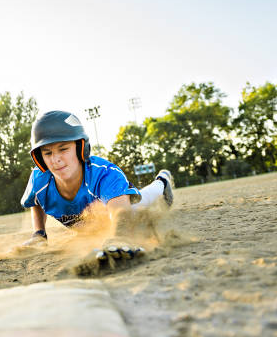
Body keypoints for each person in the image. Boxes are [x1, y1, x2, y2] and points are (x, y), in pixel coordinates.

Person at [20, 110, 174, 257]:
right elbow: (36, 200)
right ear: (40, 158)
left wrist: (119, 237)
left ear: (81, 148)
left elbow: (122, 215)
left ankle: (162, 183)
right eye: (47, 153)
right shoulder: (39, 180)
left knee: (139, 205)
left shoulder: (104, 173)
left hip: (118, 212)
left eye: (63, 149)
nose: (56, 159)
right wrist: (39, 234)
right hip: (92, 225)